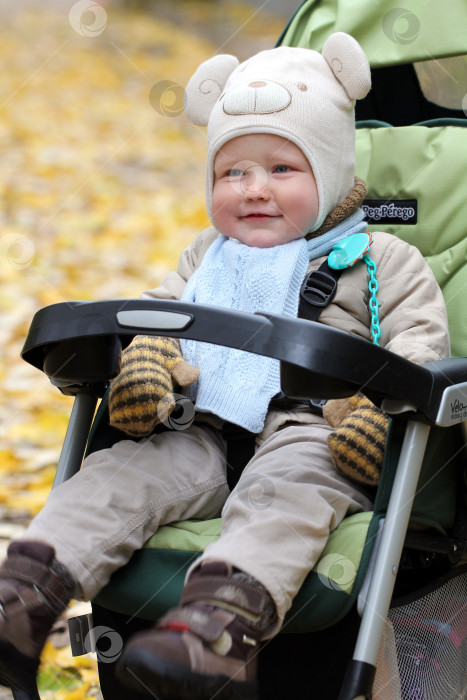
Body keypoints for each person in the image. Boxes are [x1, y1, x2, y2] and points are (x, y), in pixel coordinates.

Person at [0, 33, 450, 699]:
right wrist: (144, 360)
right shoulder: (204, 256)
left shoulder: (377, 258)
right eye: (231, 172)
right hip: (196, 426)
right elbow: (159, 315)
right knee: (117, 474)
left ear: (327, 173)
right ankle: (23, 600)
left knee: (287, 495)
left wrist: (378, 417)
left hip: (315, 433)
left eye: (281, 170)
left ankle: (214, 632)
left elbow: (421, 346)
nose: (253, 190)